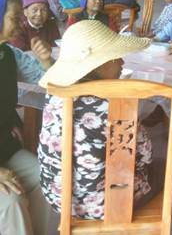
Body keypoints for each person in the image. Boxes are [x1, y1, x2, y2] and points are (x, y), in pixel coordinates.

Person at [37, 20, 161, 220]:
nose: (122, 62)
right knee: (164, 168)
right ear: (99, 64)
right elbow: (145, 156)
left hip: (58, 197)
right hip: (106, 205)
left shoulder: (55, 94)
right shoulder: (115, 107)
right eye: (116, 57)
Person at [0, 0, 52, 235]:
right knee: (12, 201)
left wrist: (46, 61)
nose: (21, 23)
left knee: (49, 179)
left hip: (4, 148)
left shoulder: (10, 55)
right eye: (14, 17)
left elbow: (48, 80)